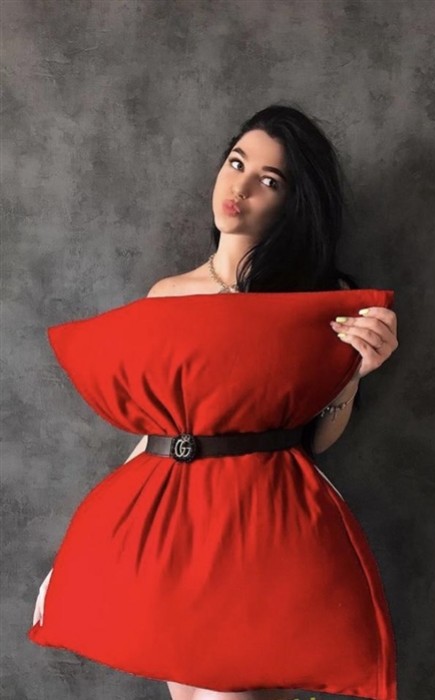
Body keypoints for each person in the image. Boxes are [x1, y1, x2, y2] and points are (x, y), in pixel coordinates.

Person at [32, 104, 398, 700]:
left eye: (269, 180)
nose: (241, 186)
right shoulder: (167, 294)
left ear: (293, 202)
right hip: (170, 523)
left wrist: (353, 374)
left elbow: (316, 440)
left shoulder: (315, 300)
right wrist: (77, 557)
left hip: (257, 522)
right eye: (236, 162)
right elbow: (153, 433)